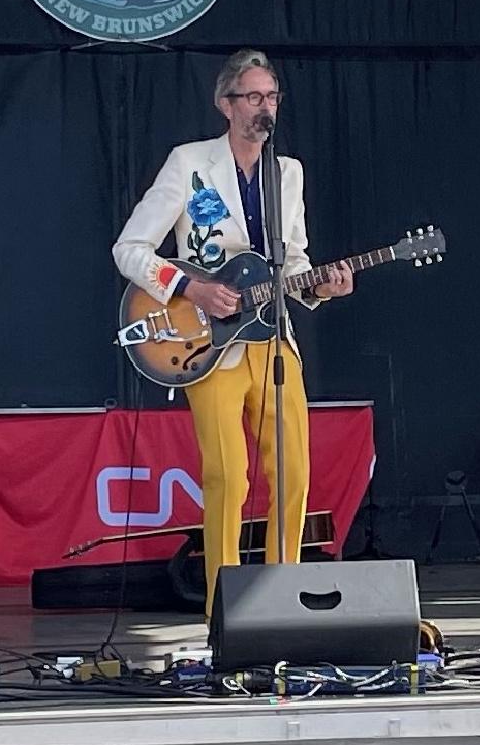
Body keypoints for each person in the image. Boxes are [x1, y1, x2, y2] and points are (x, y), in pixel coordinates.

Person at [114, 50, 353, 616]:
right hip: (207, 341)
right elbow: (129, 249)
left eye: (271, 97)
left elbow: (292, 262)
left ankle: (283, 602)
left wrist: (321, 287)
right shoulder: (189, 161)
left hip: (272, 340)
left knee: (294, 473)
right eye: (253, 97)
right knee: (227, 477)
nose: (264, 108)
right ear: (226, 104)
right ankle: (224, 608)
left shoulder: (286, 172)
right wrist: (188, 288)